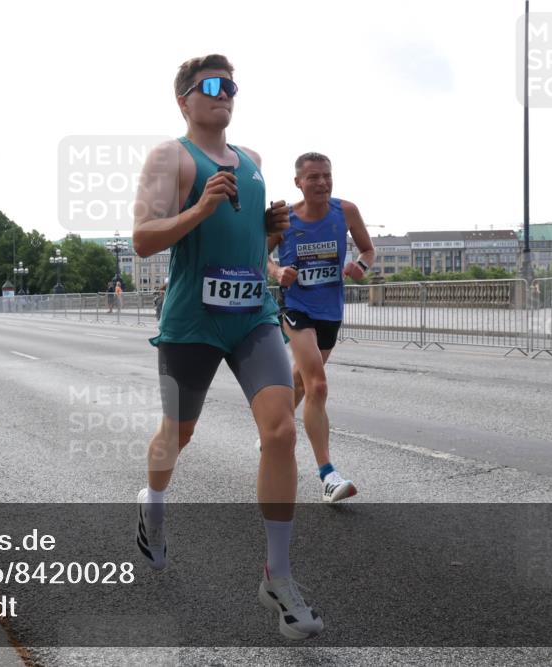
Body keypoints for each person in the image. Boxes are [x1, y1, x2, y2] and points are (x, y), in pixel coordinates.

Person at [131, 54, 322, 639]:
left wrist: (270, 230)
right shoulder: (170, 156)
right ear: (184, 100)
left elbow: (249, 243)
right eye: (210, 86)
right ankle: (153, 506)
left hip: (252, 318)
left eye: (231, 86)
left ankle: (278, 576)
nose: (224, 93)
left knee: (281, 430)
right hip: (192, 321)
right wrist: (200, 206)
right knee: (178, 435)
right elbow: (142, 239)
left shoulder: (254, 162)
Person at [267, 152, 375, 503]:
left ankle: (273, 429)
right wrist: (276, 272)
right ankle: (328, 475)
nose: (322, 183)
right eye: (313, 177)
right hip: (296, 307)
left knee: (301, 379)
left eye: (326, 176)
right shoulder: (285, 220)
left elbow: (368, 249)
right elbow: (257, 256)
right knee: (318, 384)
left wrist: (361, 265)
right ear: (298, 182)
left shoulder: (345, 211)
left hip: (330, 309)